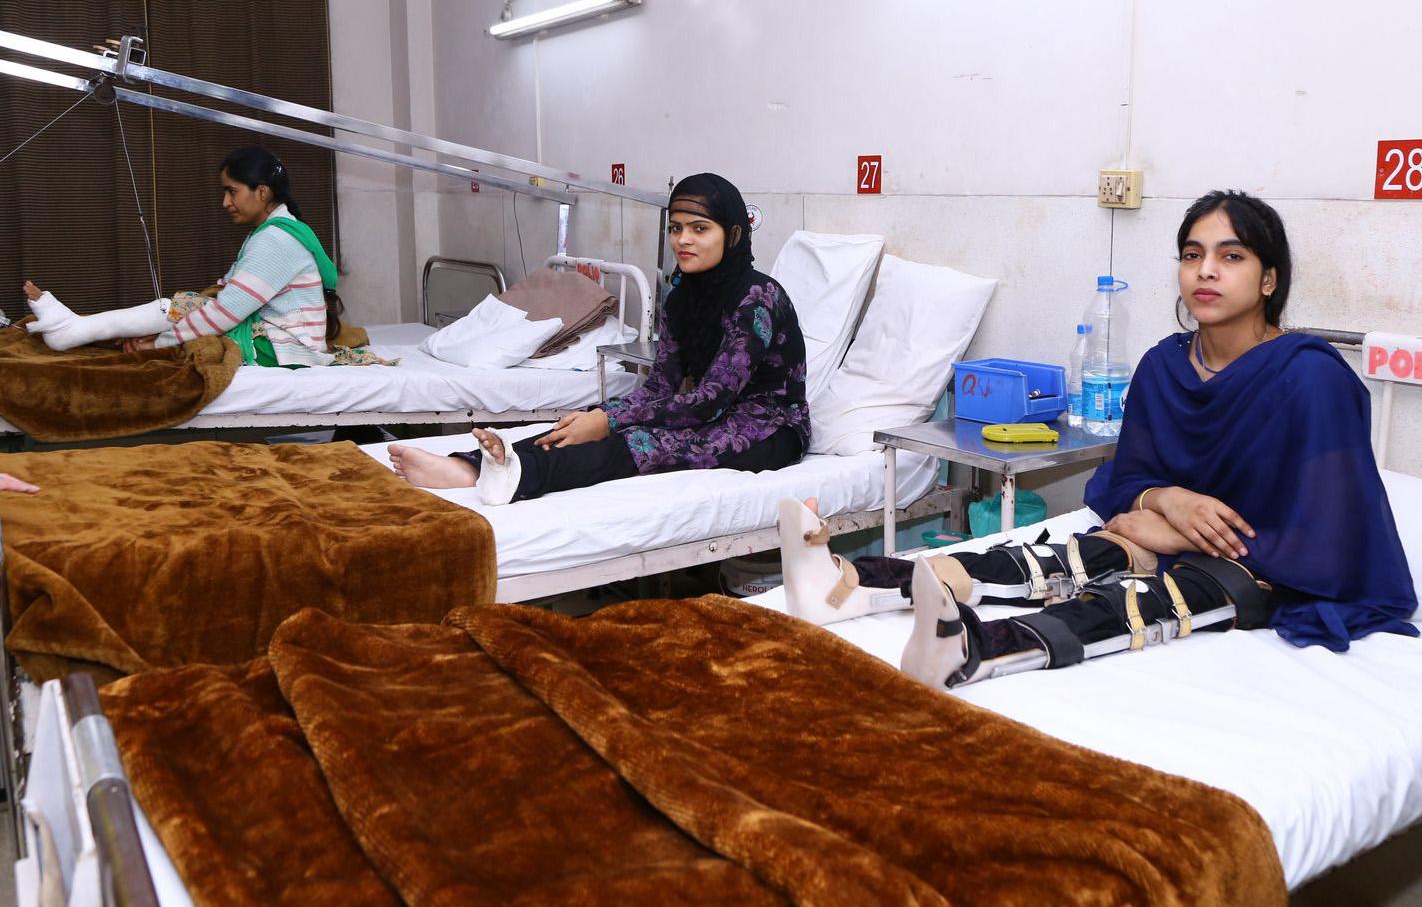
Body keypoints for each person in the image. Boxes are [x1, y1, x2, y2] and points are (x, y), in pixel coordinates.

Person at [783, 190, 1417, 690]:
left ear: (1269, 279)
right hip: (1169, 533)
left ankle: (980, 650)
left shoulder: (1309, 378)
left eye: (1232, 256)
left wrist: (1177, 529)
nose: (1206, 271)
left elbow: (1330, 529)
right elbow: (1128, 483)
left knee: (1150, 594)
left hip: (1269, 567)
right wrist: (1164, 500)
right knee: (1068, 554)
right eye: (1192, 254)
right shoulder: (1166, 367)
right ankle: (851, 580)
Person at [390, 172, 809, 504]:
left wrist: (612, 421)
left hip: (768, 429)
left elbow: (712, 399)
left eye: (700, 229)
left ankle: (507, 477)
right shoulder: (682, 295)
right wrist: (597, 416)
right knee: (580, 424)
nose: (683, 239)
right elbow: (661, 385)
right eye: (677, 228)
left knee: (645, 443)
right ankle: (474, 462)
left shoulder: (757, 298)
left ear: (732, 235)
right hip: (713, 416)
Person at [22, 147, 339, 367]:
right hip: (273, 337)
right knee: (186, 306)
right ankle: (75, 327)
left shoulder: (277, 239)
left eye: (232, 191)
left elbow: (225, 313)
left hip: (278, 349)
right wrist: (160, 331)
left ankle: (72, 330)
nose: (225, 202)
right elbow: (224, 292)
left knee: (185, 306)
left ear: (263, 192)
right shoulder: (274, 232)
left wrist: (158, 343)